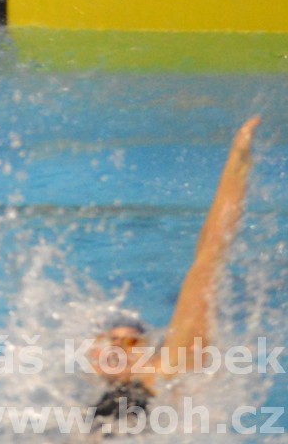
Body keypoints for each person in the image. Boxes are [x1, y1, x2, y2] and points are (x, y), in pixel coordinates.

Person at [83, 117, 259, 430]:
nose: (117, 351)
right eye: (109, 341)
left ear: (146, 353)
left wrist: (237, 164)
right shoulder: (65, 397)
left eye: (130, 343)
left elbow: (209, 258)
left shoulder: (165, 373)